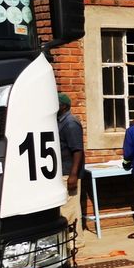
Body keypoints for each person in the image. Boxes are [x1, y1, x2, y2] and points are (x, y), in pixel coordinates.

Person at [56, 93, 85, 248]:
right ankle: (68, 240)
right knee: (65, 208)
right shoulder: (59, 121)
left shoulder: (70, 123)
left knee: (70, 208)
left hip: (69, 172)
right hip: (62, 171)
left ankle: (75, 242)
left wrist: (73, 175)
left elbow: (77, 150)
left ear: (64, 106)